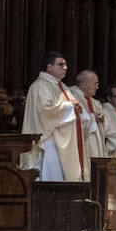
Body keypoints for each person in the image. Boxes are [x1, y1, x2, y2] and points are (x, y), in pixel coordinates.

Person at [22, 51, 86, 182]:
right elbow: (45, 112)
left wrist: (78, 109)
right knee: (51, 176)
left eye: (65, 64)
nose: (65, 68)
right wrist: (69, 107)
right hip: (49, 140)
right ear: (49, 67)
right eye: (61, 65)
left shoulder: (62, 86)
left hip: (62, 141)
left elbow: (73, 106)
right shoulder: (40, 86)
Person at [69, 70, 107, 160]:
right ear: (85, 84)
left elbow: (104, 126)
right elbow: (73, 121)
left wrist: (102, 118)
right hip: (83, 143)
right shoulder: (72, 98)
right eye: (95, 84)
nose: (97, 87)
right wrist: (93, 117)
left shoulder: (95, 103)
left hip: (96, 144)